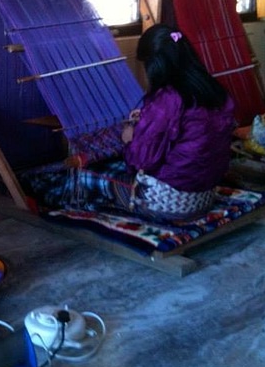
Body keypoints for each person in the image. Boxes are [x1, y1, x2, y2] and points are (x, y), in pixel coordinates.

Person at [70, 23, 236, 221]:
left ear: (156, 65)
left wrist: (129, 138)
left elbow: (141, 162)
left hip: (169, 203)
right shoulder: (213, 89)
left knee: (81, 178)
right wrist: (149, 118)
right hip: (205, 195)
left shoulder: (167, 98)